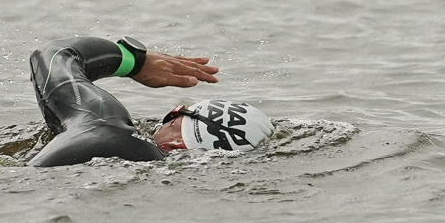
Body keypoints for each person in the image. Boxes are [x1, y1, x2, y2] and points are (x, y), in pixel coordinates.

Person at [27, 36, 275, 167]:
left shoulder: (105, 125)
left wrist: (133, 61)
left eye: (179, 113)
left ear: (179, 140)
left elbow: (55, 55)